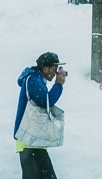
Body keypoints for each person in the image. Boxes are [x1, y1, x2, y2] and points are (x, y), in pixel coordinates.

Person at [14, 51, 67, 179]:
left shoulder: (37, 80)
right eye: (54, 69)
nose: (55, 73)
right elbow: (46, 101)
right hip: (28, 142)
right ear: (45, 68)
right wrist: (58, 84)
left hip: (34, 140)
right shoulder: (33, 80)